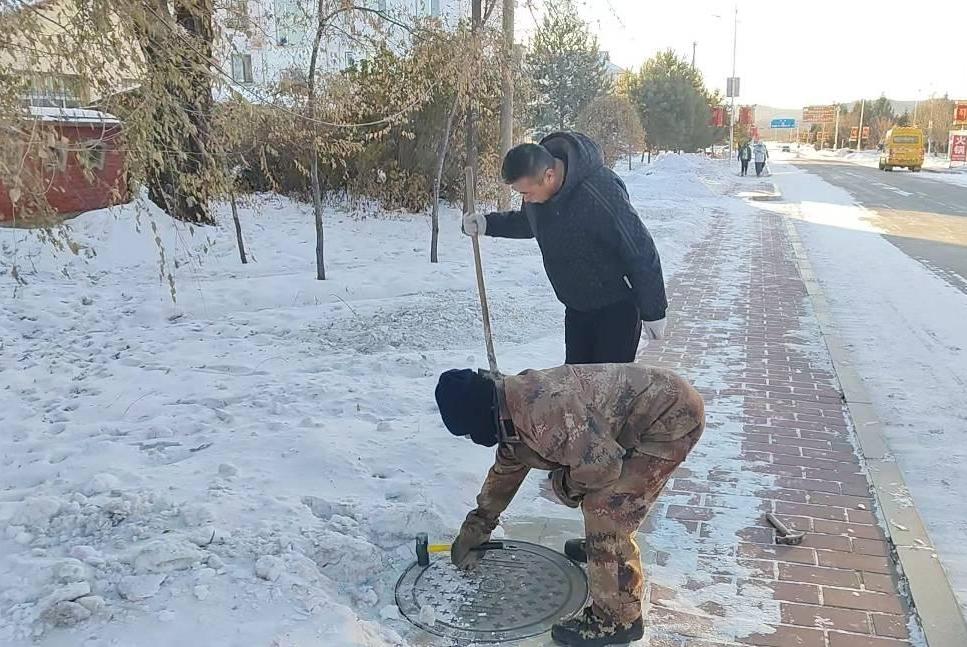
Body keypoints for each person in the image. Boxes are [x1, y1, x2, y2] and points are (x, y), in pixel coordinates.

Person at [435, 364, 706, 647]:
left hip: (670, 417)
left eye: (469, 433)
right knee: (597, 498)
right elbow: (505, 473)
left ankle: (617, 619)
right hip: (641, 415)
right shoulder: (509, 407)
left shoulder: (543, 412)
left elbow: (602, 467)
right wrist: (477, 526)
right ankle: (602, 552)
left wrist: (565, 486)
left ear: (479, 417)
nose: (472, 439)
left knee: (606, 508)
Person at [462, 132, 667, 365]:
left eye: (526, 193)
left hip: (616, 309)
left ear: (549, 176)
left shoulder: (601, 191)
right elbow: (528, 223)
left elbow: (639, 247)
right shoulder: (538, 191)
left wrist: (654, 310)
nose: (525, 200)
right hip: (576, 305)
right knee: (575, 381)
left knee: (607, 384)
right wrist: (486, 224)